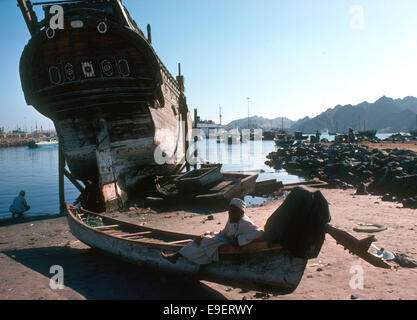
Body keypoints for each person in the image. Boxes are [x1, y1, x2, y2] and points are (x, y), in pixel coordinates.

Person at [161, 198, 264, 265]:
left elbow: (260, 232)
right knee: (201, 239)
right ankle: (177, 256)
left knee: (205, 241)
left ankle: (178, 256)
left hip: (232, 243)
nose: (230, 214)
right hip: (226, 240)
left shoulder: (244, 222)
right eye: (229, 211)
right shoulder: (232, 218)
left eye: (233, 212)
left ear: (241, 213)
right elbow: (224, 232)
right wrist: (209, 234)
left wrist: (240, 240)